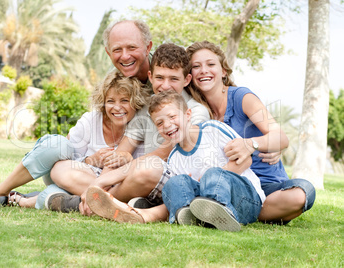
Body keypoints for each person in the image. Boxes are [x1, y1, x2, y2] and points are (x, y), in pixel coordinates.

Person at [48, 43, 210, 219]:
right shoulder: (147, 107)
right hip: (136, 178)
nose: (165, 85)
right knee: (60, 169)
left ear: (186, 80)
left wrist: (103, 183)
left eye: (173, 79)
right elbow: (121, 152)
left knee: (149, 168)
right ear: (150, 76)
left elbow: (164, 153)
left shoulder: (194, 111)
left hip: (170, 179)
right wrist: (98, 184)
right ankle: (114, 200)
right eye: (160, 78)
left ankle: (92, 203)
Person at [0, 71, 148, 208]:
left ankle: (24, 201)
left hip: (96, 185)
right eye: (111, 101)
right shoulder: (91, 120)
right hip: (70, 173)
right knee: (58, 147)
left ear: (135, 102)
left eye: (125, 101)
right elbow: (67, 157)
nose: (117, 107)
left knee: (54, 195)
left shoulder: (140, 128)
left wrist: (126, 160)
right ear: (103, 101)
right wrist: (92, 160)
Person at [85, 91, 266, 232]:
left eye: (172, 117)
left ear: (188, 115)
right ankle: (186, 214)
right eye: (160, 123)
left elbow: (245, 161)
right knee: (176, 183)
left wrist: (209, 181)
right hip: (204, 204)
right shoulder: (175, 158)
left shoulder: (213, 129)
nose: (168, 125)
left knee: (213, 175)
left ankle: (223, 212)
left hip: (244, 199)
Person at [185, 40, 315, 224]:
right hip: (234, 184)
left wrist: (250, 144)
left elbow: (281, 136)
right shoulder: (197, 112)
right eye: (196, 66)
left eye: (210, 64)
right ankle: (235, 209)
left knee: (303, 192)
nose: (203, 70)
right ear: (190, 75)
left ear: (223, 71)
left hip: (268, 185)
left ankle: (236, 211)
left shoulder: (241, 97)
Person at [103, 20, 152, 84]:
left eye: (132, 47)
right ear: (109, 53)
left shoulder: (167, 68)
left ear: (148, 48)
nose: (125, 57)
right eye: (117, 49)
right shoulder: (109, 86)